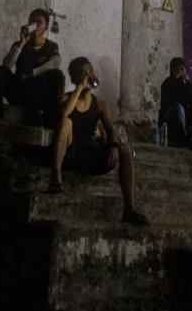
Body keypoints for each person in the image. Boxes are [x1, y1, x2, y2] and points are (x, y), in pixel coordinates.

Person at [48, 57, 149, 226]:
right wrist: (79, 88)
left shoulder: (100, 104)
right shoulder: (65, 99)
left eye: (90, 71)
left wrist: (113, 146)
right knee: (66, 122)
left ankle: (129, 210)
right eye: (82, 73)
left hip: (93, 154)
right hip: (71, 154)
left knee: (124, 148)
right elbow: (63, 115)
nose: (88, 75)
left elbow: (111, 131)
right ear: (73, 78)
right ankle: (56, 179)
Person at [0, 8, 64, 124]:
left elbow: (56, 63)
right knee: (0, 70)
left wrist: (32, 73)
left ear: (46, 27)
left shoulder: (51, 46)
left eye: (39, 22)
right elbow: (6, 65)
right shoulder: (18, 44)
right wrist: (21, 44)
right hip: (19, 91)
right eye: (32, 21)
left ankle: (50, 120)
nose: (34, 24)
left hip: (38, 94)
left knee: (58, 75)